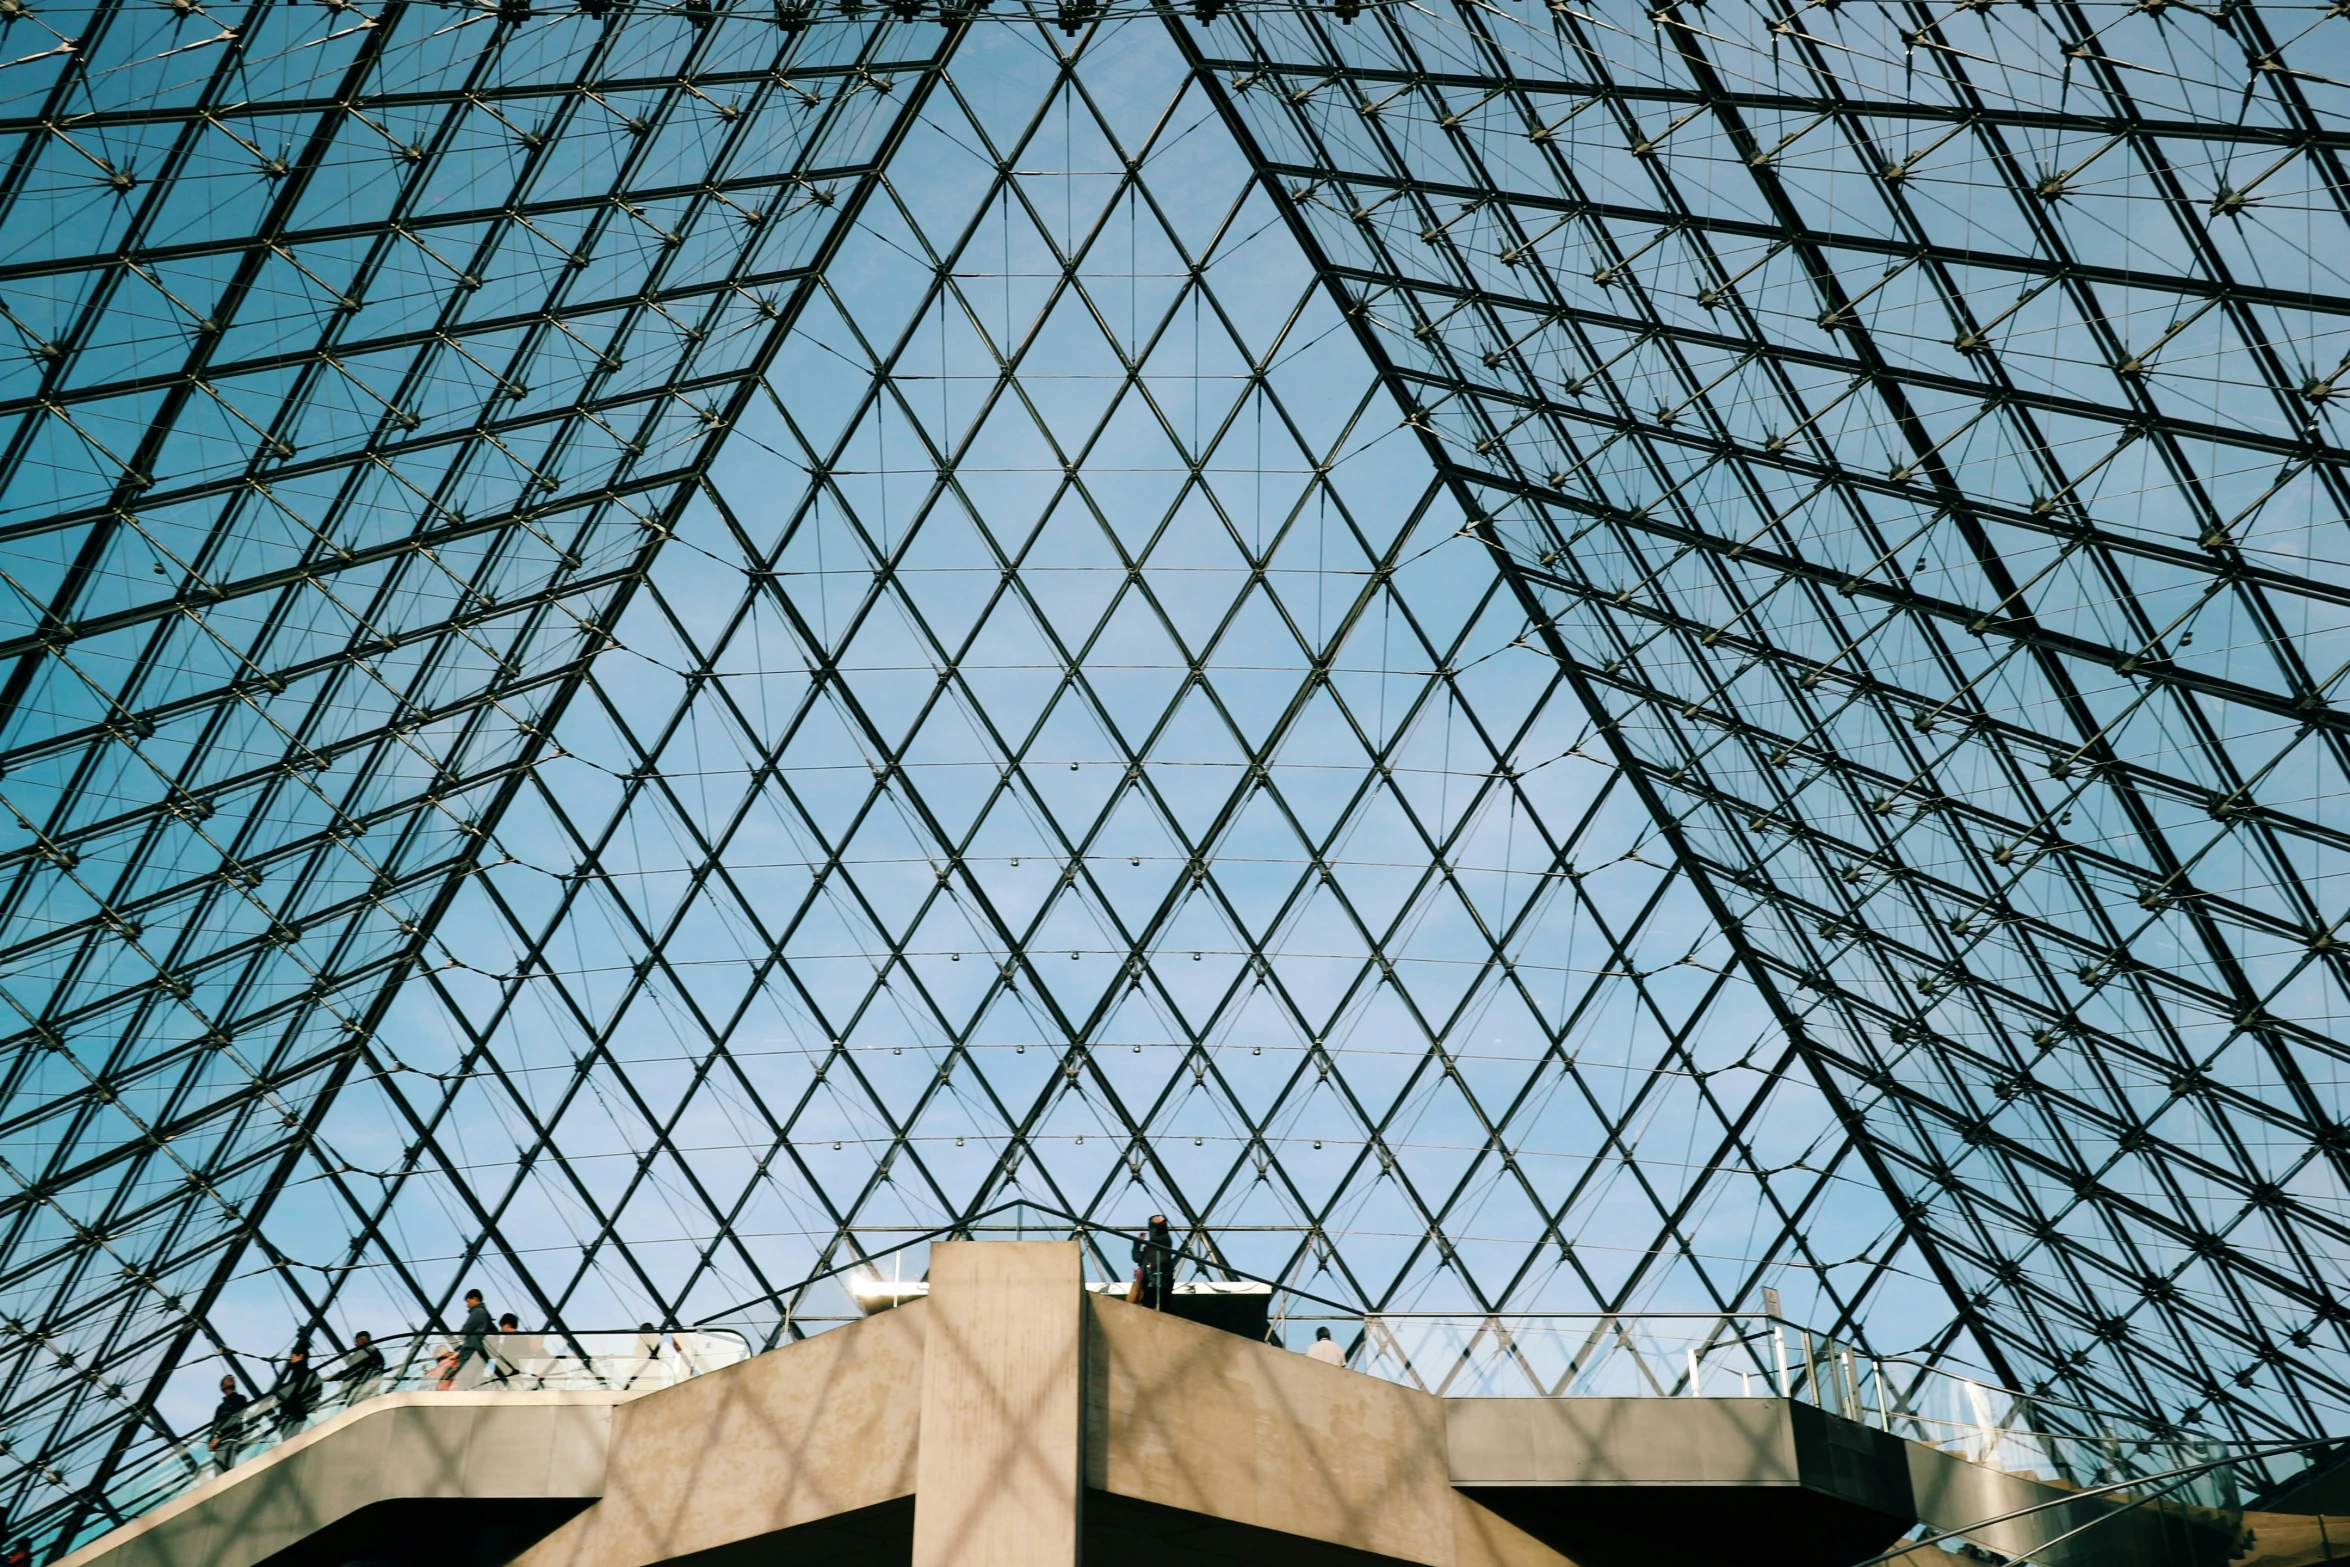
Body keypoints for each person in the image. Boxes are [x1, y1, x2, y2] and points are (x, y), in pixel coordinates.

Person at [272, 1341, 321, 1435]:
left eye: (293, 1355)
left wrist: (280, 1399)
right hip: (298, 1414)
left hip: (293, 1415)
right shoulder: (308, 1373)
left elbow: (292, 1393)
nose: (291, 1358)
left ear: (301, 1356)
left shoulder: (298, 1373)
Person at [1130, 1214, 1177, 1310]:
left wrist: (1152, 1224)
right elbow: (1137, 1258)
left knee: (1163, 1305)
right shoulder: (1149, 1248)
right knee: (1148, 1304)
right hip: (1147, 1281)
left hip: (1161, 1279)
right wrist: (1137, 1245)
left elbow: (1155, 1237)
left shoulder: (1165, 1239)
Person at [451, 1288, 497, 1386]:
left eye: (468, 1301)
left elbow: (464, 1331)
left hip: (470, 1352)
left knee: (464, 1383)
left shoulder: (477, 1312)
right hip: (480, 1352)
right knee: (475, 1384)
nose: (467, 1305)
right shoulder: (485, 1314)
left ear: (475, 1298)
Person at [328, 1331, 386, 1404]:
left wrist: (333, 1377)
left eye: (357, 1341)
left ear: (363, 1339)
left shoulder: (366, 1350)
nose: (355, 1344)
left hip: (363, 1394)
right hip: (372, 1389)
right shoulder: (374, 1351)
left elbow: (351, 1369)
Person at [208, 1374, 249, 1472]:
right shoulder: (220, 1408)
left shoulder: (240, 1398)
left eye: (232, 1378)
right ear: (222, 1387)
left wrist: (217, 1435)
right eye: (227, 1379)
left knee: (229, 1471)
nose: (230, 1377)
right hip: (220, 1443)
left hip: (232, 1439)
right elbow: (215, 1425)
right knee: (219, 1474)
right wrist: (211, 1440)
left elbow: (235, 1417)